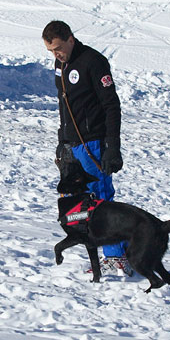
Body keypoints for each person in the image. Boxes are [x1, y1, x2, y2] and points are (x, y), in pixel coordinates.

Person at [42, 20, 132, 276]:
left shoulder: (94, 62)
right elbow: (64, 106)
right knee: (84, 204)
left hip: (94, 143)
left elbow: (112, 106)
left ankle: (116, 257)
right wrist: (62, 141)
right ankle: (120, 249)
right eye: (50, 51)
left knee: (101, 199)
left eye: (58, 48)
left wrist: (113, 147)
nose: (55, 54)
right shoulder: (61, 65)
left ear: (70, 38)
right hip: (73, 144)